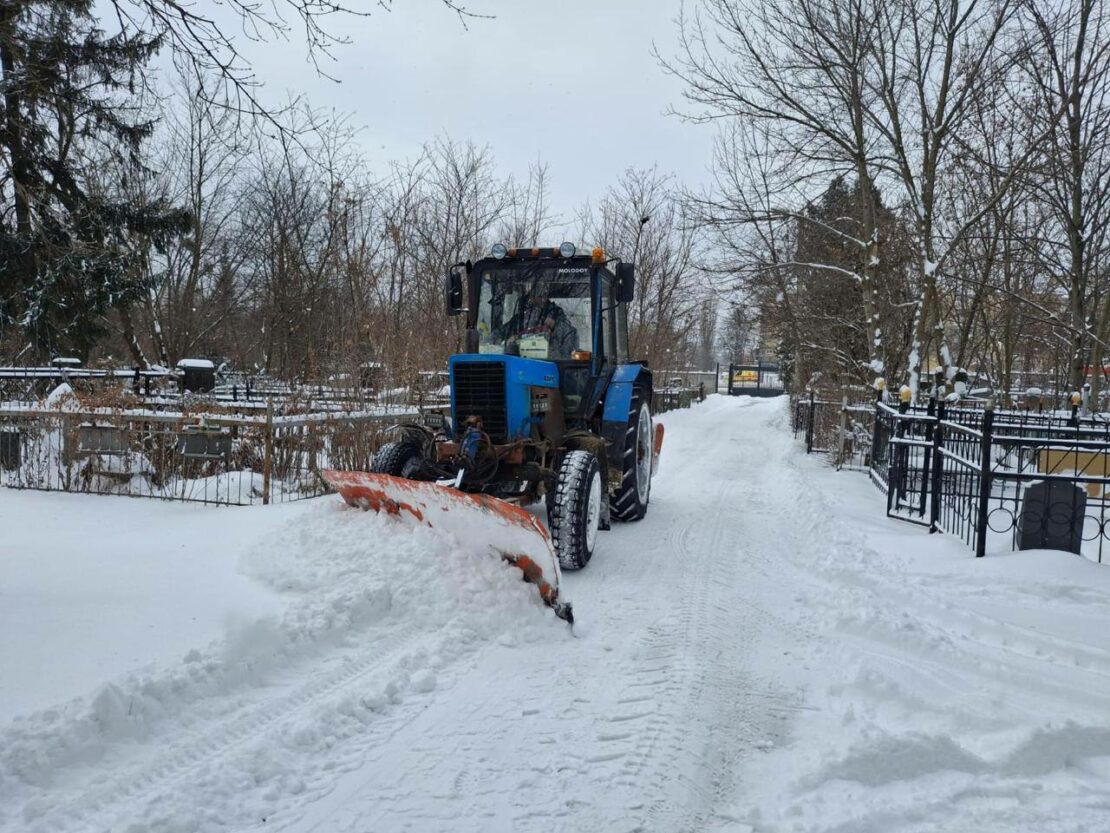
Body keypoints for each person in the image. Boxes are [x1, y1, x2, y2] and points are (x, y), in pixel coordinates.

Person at [497, 283, 579, 359]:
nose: (532, 299)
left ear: (544, 297)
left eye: (538, 296)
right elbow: (502, 332)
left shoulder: (557, 316)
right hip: (520, 362)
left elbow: (568, 342)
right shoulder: (520, 318)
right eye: (531, 296)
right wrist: (487, 342)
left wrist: (555, 325)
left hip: (552, 363)